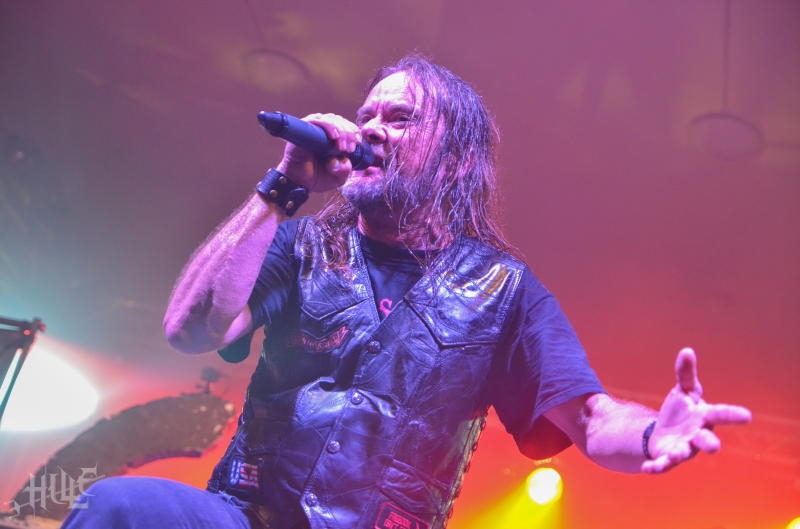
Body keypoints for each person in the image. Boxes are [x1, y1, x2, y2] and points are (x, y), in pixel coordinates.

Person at [61, 55, 751, 529]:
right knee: (122, 507)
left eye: (399, 119)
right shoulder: (301, 244)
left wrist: (656, 433)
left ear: (454, 159)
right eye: (367, 114)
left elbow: (592, 420)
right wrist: (283, 185)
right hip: (246, 517)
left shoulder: (504, 290)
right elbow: (190, 329)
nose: (370, 130)